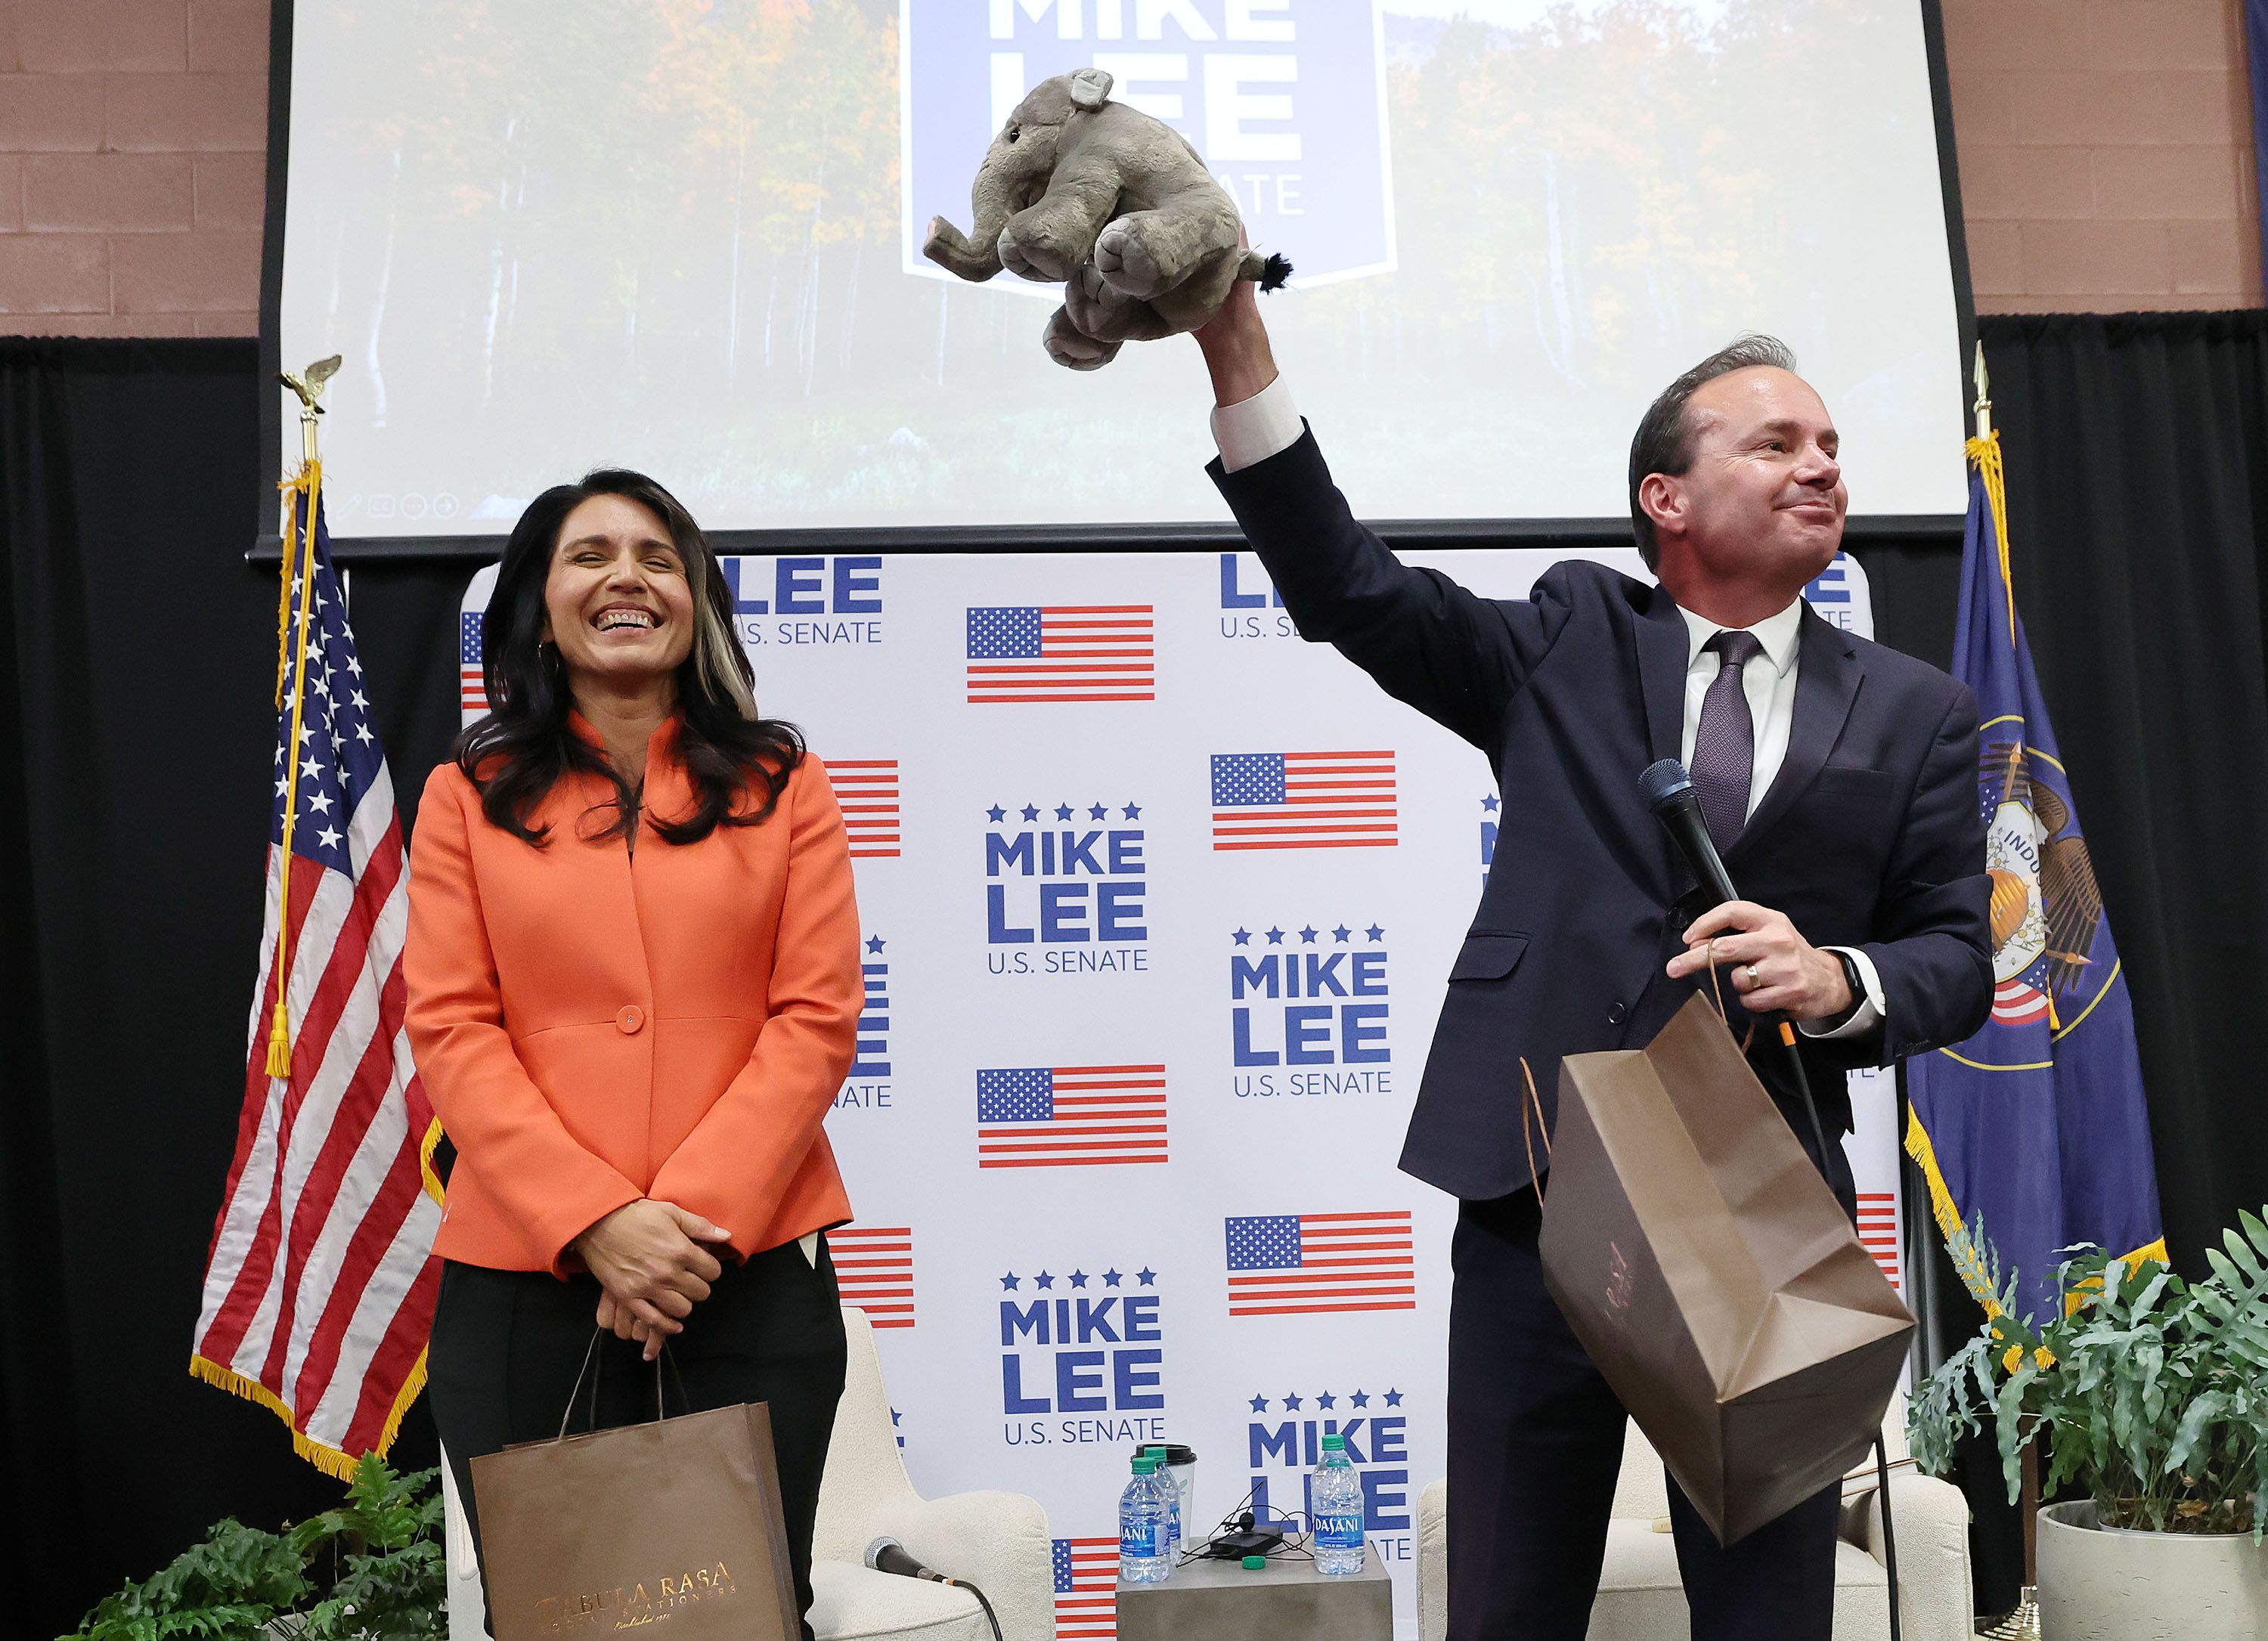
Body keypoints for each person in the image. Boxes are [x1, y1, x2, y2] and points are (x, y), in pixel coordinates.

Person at [1188, 293, 1992, 1638]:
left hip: (1761, 1202)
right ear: (1666, 498)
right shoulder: (1566, 640)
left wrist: (1839, 974)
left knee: (1770, 1612)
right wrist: (1237, 355)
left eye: (1834, 444)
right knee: (1510, 1597)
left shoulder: (1918, 710)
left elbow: (1956, 959)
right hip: (1542, 1185)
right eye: (1777, 442)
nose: (1824, 466)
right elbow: (1348, 586)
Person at [405, 470, 863, 1640]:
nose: (625, 579)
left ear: (695, 600)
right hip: (526, 1284)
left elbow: (814, 1021)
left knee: (750, 1615)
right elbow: (453, 1030)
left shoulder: (785, 787)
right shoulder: (466, 798)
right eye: (589, 556)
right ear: (540, 604)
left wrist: (683, 1229)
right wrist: (601, 1224)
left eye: (657, 558)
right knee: (562, 1619)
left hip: (744, 1277)